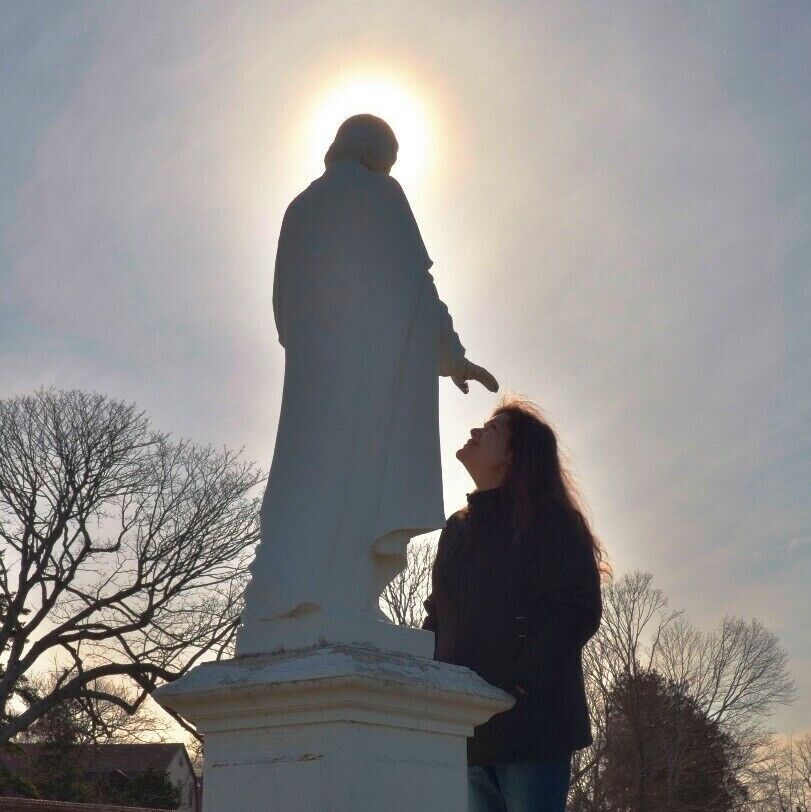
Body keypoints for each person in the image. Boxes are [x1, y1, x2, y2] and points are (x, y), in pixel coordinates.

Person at [239, 114, 497, 641]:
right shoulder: (381, 195)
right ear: (373, 151)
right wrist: (452, 354)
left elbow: (281, 306)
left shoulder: (300, 206)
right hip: (368, 376)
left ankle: (290, 598)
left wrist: (315, 349)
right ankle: (343, 600)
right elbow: (415, 285)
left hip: (313, 375)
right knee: (359, 476)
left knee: (306, 477)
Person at [422, 395, 608, 811]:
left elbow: (577, 608)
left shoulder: (552, 520)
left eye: (491, 430)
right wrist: (430, 679)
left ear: (515, 456)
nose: (475, 431)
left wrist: (522, 678)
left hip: (531, 726)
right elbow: (438, 612)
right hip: (468, 728)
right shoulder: (456, 529)